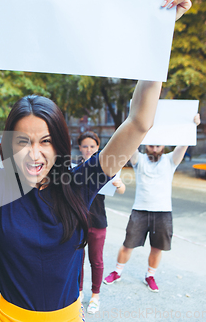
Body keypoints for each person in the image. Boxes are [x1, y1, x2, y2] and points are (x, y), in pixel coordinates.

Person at [0, 0, 191, 320]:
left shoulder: (81, 182)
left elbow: (140, 122)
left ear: (59, 144)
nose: (34, 153)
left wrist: (159, 33)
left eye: (45, 141)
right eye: (22, 141)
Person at [103, 114, 200, 293]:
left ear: (163, 146)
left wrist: (192, 124)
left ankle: (150, 276)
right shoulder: (138, 160)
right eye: (151, 145)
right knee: (128, 244)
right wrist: (133, 119)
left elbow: (185, 142)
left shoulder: (171, 160)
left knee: (157, 247)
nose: (154, 149)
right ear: (145, 145)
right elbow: (130, 140)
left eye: (157, 145)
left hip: (163, 213)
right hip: (139, 211)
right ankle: (117, 272)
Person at [77, 131, 126, 314]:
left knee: (96, 261)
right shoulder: (75, 168)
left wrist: (119, 184)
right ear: (79, 148)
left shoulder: (105, 167)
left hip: (97, 221)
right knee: (77, 259)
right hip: (77, 222)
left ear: (98, 148)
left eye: (92, 146)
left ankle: (95, 296)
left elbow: (121, 190)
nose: (88, 149)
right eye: (85, 146)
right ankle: (79, 292)